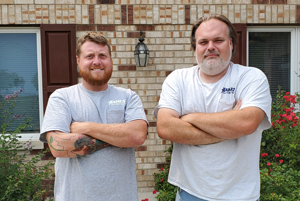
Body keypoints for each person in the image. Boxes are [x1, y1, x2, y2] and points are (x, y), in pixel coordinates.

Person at [154, 14, 272, 201]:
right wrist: (230, 124)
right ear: (195, 47)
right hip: (190, 193)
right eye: (203, 42)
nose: (210, 47)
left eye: (218, 40)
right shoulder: (178, 80)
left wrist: (189, 118)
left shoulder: (251, 78)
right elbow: (165, 127)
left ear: (231, 44)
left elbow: (247, 123)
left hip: (241, 195)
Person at [40, 32, 148, 201]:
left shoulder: (128, 97)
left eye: (102, 56)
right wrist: (119, 137)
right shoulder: (62, 97)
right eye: (90, 56)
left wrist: (85, 128)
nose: (97, 61)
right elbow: (58, 146)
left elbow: (137, 135)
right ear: (78, 60)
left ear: (110, 60)